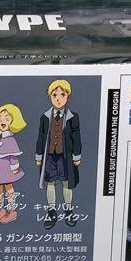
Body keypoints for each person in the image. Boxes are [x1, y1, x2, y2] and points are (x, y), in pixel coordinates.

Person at [35, 79, 82, 229]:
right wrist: (39, 155)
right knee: (50, 183)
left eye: (62, 95)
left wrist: (77, 155)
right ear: (50, 97)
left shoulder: (73, 116)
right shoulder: (45, 117)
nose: (58, 98)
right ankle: (51, 211)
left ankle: (68, 210)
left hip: (66, 156)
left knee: (67, 183)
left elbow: (76, 136)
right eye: (55, 95)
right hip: (50, 156)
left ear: (68, 97)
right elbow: (41, 136)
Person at [0, 103, 27, 223]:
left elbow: (13, 155)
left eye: (6, 119)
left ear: (13, 122)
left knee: (9, 187)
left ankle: (12, 211)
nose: (2, 121)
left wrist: (14, 167)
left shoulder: (10, 139)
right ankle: (0, 209)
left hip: (7, 168)